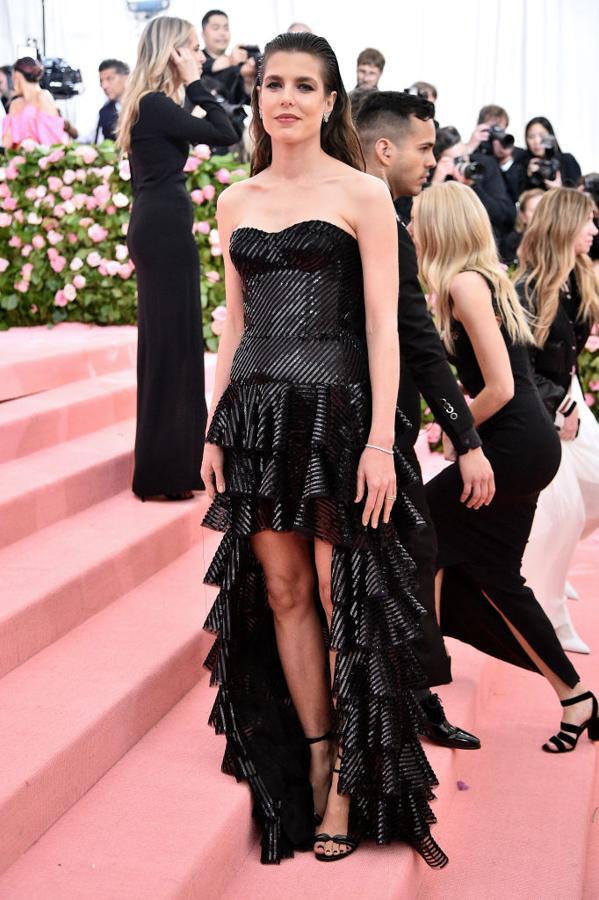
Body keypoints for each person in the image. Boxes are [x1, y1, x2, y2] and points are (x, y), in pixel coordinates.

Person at [200, 31, 447, 868]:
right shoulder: (234, 199)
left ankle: (346, 771)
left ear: (331, 101)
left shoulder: (363, 195)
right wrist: (213, 424)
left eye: (307, 85)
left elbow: (385, 324)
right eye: (274, 83)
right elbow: (234, 323)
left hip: (339, 418)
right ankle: (309, 750)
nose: (288, 98)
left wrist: (383, 440)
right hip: (258, 417)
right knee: (282, 589)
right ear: (258, 94)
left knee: (346, 594)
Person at [413, 181, 598, 754]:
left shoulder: (467, 284)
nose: (411, 228)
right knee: (498, 577)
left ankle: (420, 686)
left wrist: (455, 432)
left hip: (512, 444)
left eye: (419, 220)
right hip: (525, 443)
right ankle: (576, 700)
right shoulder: (483, 279)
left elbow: (499, 385)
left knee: (419, 531)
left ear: (439, 227)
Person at [354, 89, 495, 750]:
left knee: (412, 556)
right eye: (423, 147)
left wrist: (462, 435)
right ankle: (385, 712)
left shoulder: (391, 217)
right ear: (384, 149)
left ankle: (408, 702)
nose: (431, 160)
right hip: (345, 429)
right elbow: (417, 341)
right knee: (396, 560)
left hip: (379, 432)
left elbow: (417, 342)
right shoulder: (364, 215)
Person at [116, 16, 237, 501]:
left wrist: (190, 85)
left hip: (160, 226)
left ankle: (171, 465)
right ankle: (164, 471)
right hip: (163, 230)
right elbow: (225, 132)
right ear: (172, 53)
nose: (201, 56)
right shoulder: (155, 103)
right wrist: (196, 83)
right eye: (191, 49)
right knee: (172, 348)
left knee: (175, 345)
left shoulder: (154, 105)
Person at [518, 188, 599, 654]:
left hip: (565, 397)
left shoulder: (579, 277)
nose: (593, 230)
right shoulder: (529, 287)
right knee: (561, 514)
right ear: (564, 226)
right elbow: (519, 366)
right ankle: (552, 615)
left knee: (589, 494)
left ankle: (555, 571)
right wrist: (554, 409)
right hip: (541, 404)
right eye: (587, 221)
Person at [431, 125, 515, 255]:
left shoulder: (483, 166)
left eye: (465, 157)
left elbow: (505, 216)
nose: (464, 163)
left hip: (486, 248)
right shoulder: (433, 176)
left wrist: (472, 186)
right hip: (446, 251)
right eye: (457, 160)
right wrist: (436, 182)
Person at [1, 56, 68, 148]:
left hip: (41, 158)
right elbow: (6, 143)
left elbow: (53, 140)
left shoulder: (43, 96)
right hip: (17, 159)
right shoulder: (15, 104)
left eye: (12, 77)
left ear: (17, 76)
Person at [467, 104, 528, 205]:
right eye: (491, 129)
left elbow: (517, 195)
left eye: (499, 130)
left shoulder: (517, 154)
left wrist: (505, 160)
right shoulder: (472, 152)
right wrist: (470, 146)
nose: (495, 134)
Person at [200, 8, 256, 105]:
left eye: (226, 28)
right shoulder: (197, 60)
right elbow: (207, 66)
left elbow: (247, 101)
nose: (222, 33)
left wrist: (249, 81)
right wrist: (230, 60)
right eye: (215, 28)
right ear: (203, 34)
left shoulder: (239, 65)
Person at [521, 116, 581, 191]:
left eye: (542, 135)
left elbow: (579, 196)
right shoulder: (523, 163)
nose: (536, 141)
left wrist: (559, 189)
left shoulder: (566, 160)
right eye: (531, 137)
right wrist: (528, 177)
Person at [501, 187, 544, 266]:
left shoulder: (559, 238)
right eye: (534, 211)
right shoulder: (513, 242)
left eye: (543, 210)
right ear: (523, 216)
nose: (540, 215)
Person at [95, 59, 130, 142]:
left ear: (126, 77)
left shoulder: (143, 105)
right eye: (101, 81)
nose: (104, 86)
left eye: (109, 79)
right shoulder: (104, 112)